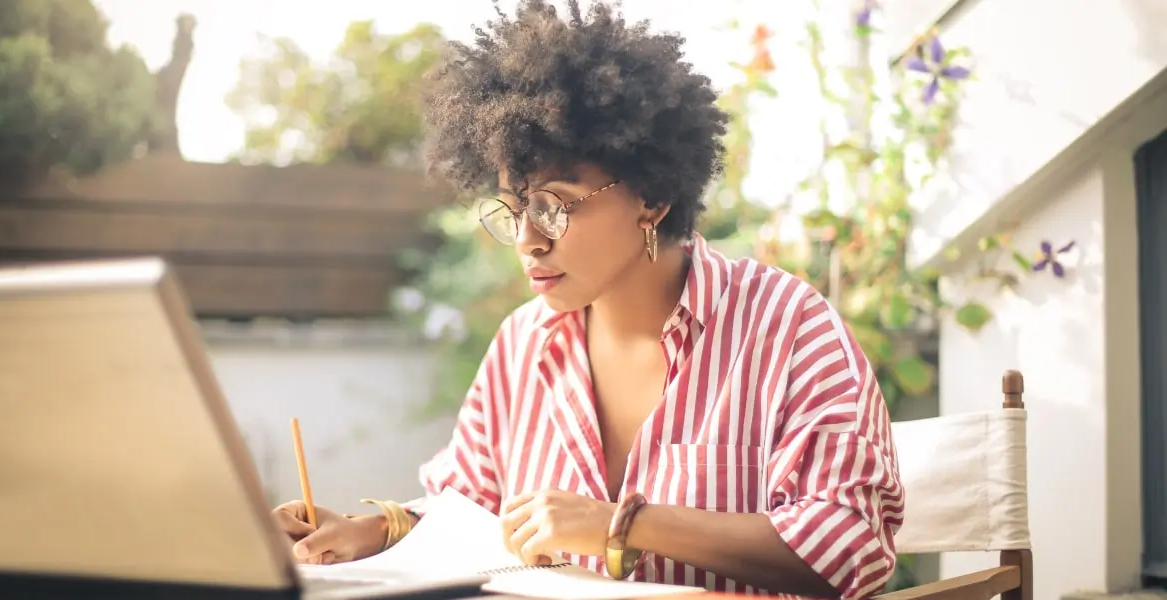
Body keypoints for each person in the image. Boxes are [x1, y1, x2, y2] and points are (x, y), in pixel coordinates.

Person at [271, 1, 905, 598]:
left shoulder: (785, 327)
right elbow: (468, 510)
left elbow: (851, 547)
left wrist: (619, 526)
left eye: (551, 206)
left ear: (652, 198)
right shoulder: (524, 344)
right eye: (513, 210)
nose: (526, 240)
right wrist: (375, 530)